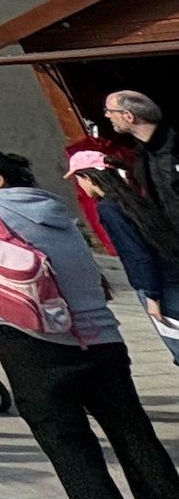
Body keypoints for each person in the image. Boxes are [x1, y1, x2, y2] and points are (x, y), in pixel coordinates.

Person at [0, 144, 179, 499]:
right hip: (103, 340)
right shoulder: (58, 213)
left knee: (68, 443)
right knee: (136, 438)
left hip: (34, 342)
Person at [69, 142, 179, 369]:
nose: (79, 185)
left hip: (158, 287)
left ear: (89, 177)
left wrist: (151, 296)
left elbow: (137, 253)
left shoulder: (108, 208)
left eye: (78, 178)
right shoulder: (134, 198)